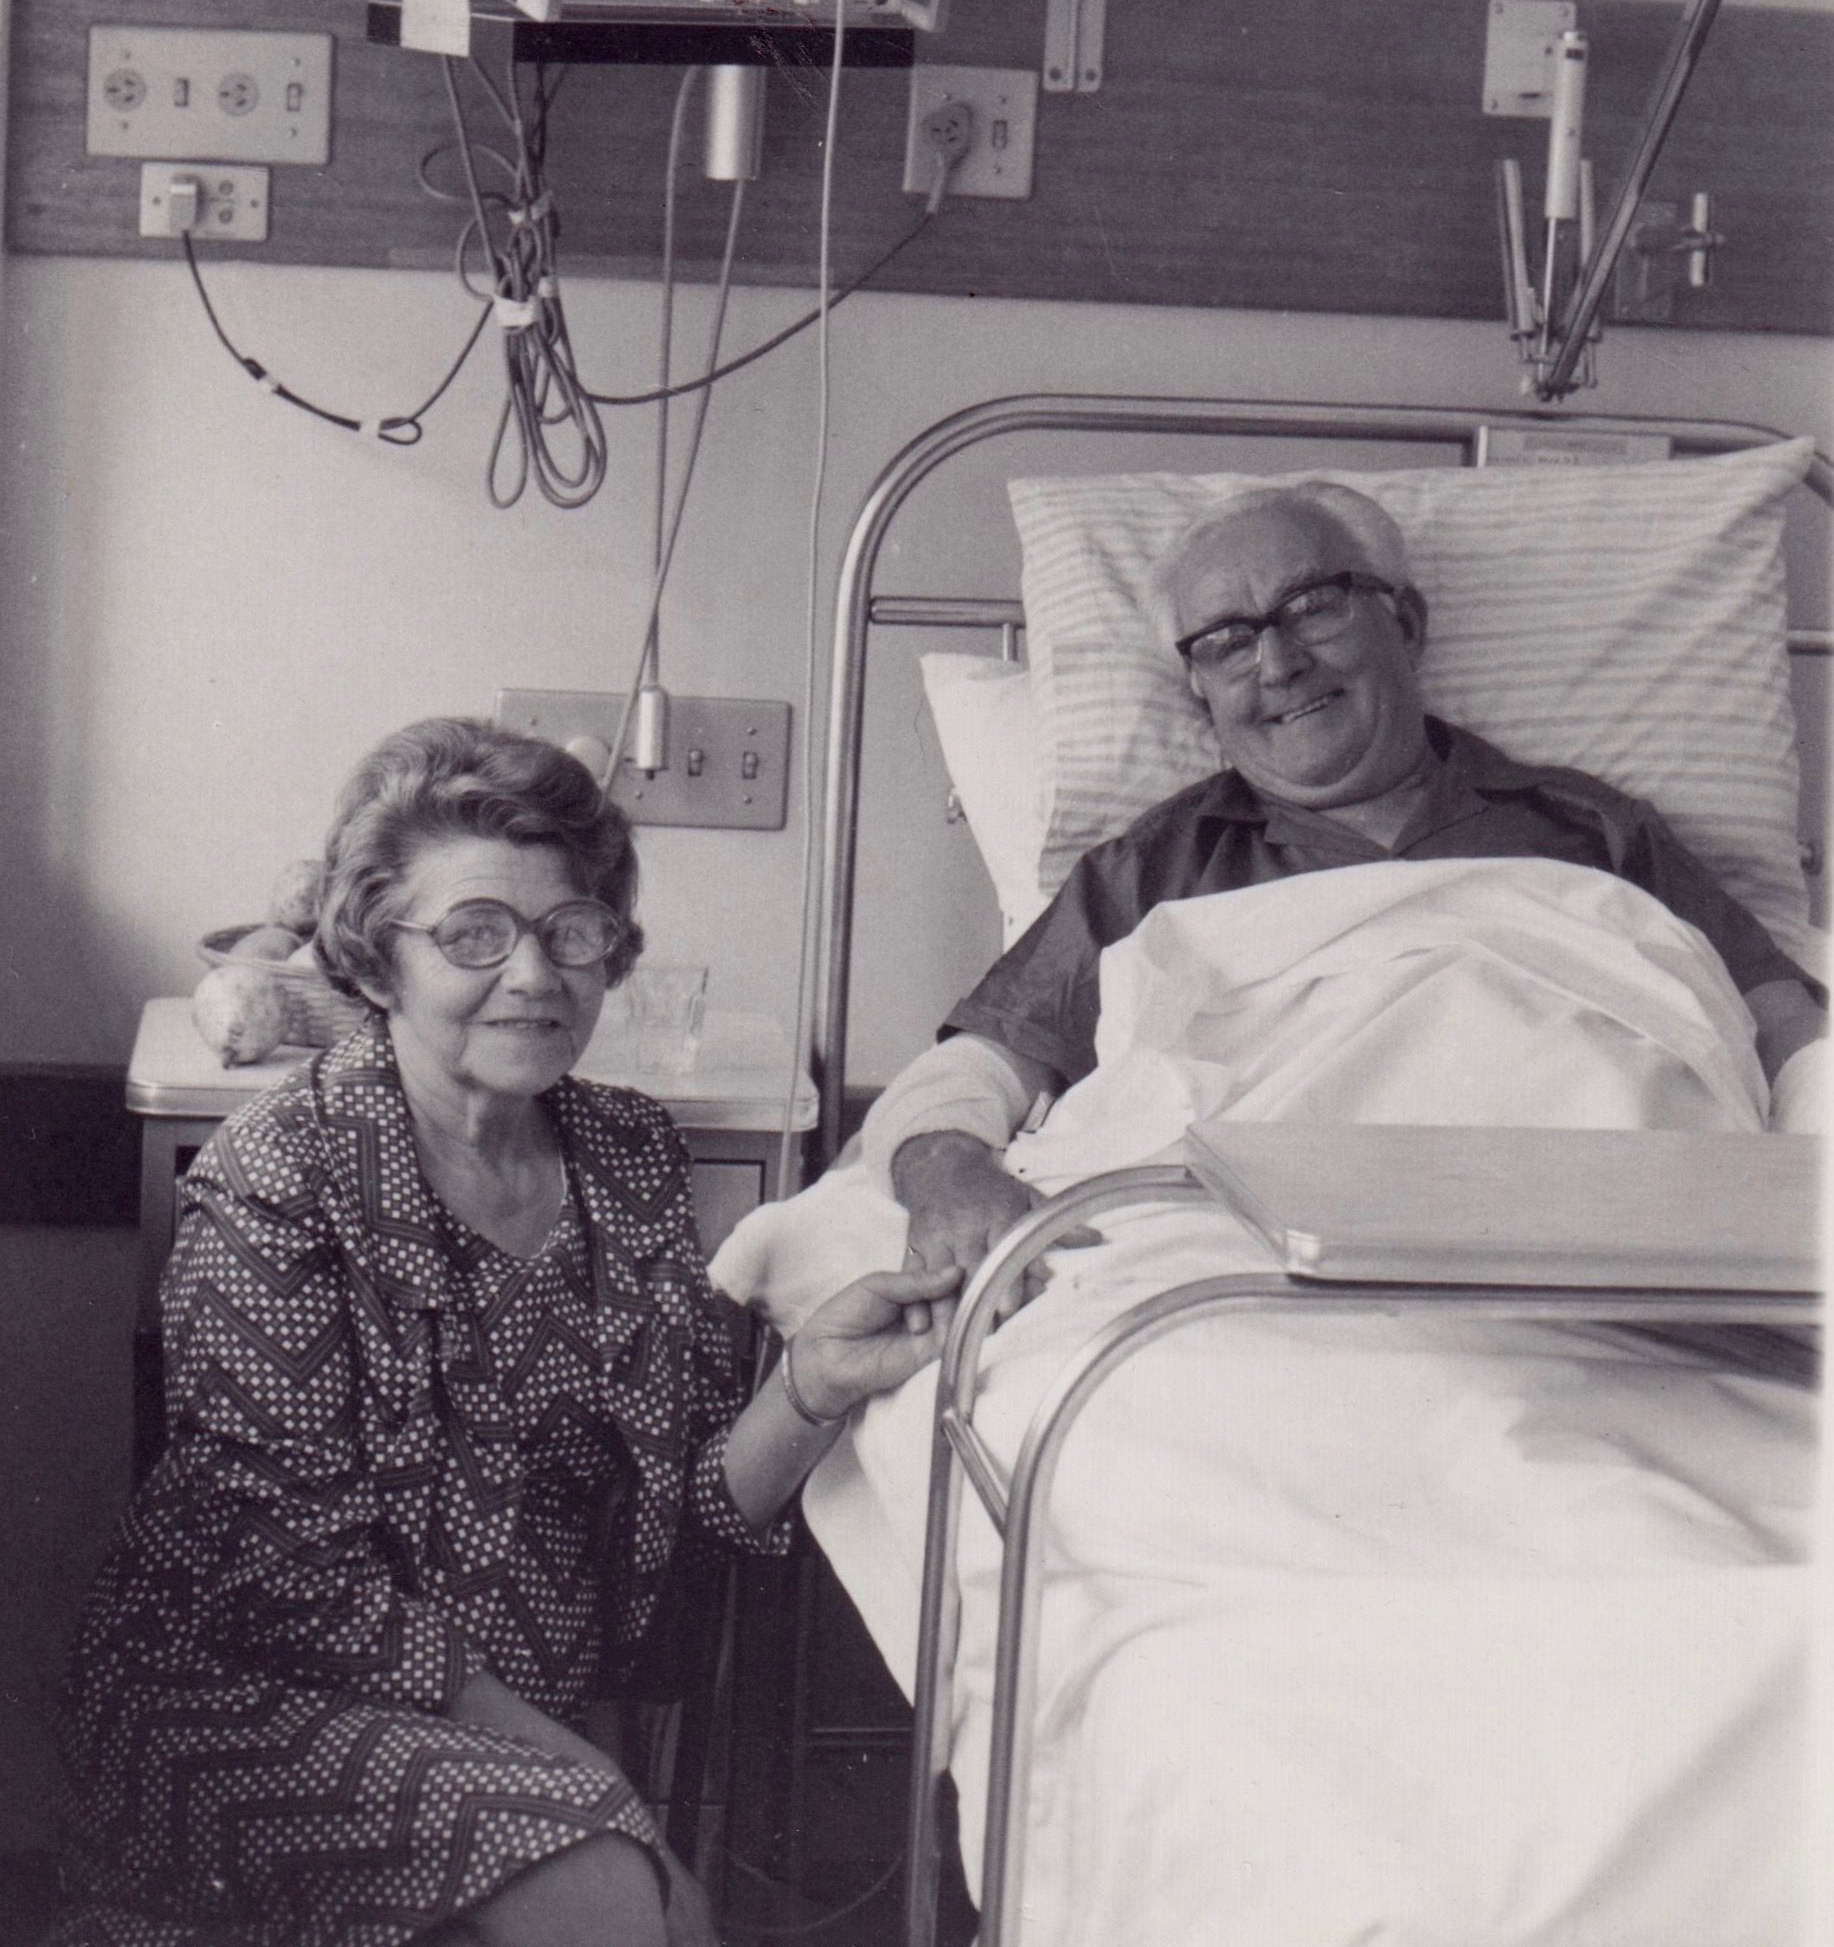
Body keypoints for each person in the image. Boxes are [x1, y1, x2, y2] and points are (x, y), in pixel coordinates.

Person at [52, 718, 954, 1947]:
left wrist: (807, 1387)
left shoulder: (630, 1155)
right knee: (628, 1908)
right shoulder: (280, 1177)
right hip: (258, 1690)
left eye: (571, 931)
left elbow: (687, 1510)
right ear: (377, 962)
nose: (535, 976)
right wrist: (587, 1790)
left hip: (505, 1714)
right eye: (475, 934)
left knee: (639, 1909)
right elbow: (298, 1588)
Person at [862, 481, 1827, 1297]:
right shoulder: (1151, 868)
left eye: (1314, 605)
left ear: (1404, 622)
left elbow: (1787, 1032)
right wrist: (946, 1169)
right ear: (1197, 687)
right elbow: (976, 1071)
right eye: (1227, 640)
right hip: (1260, 1274)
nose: (1278, 663)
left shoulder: (1592, 829)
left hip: (1601, 1245)